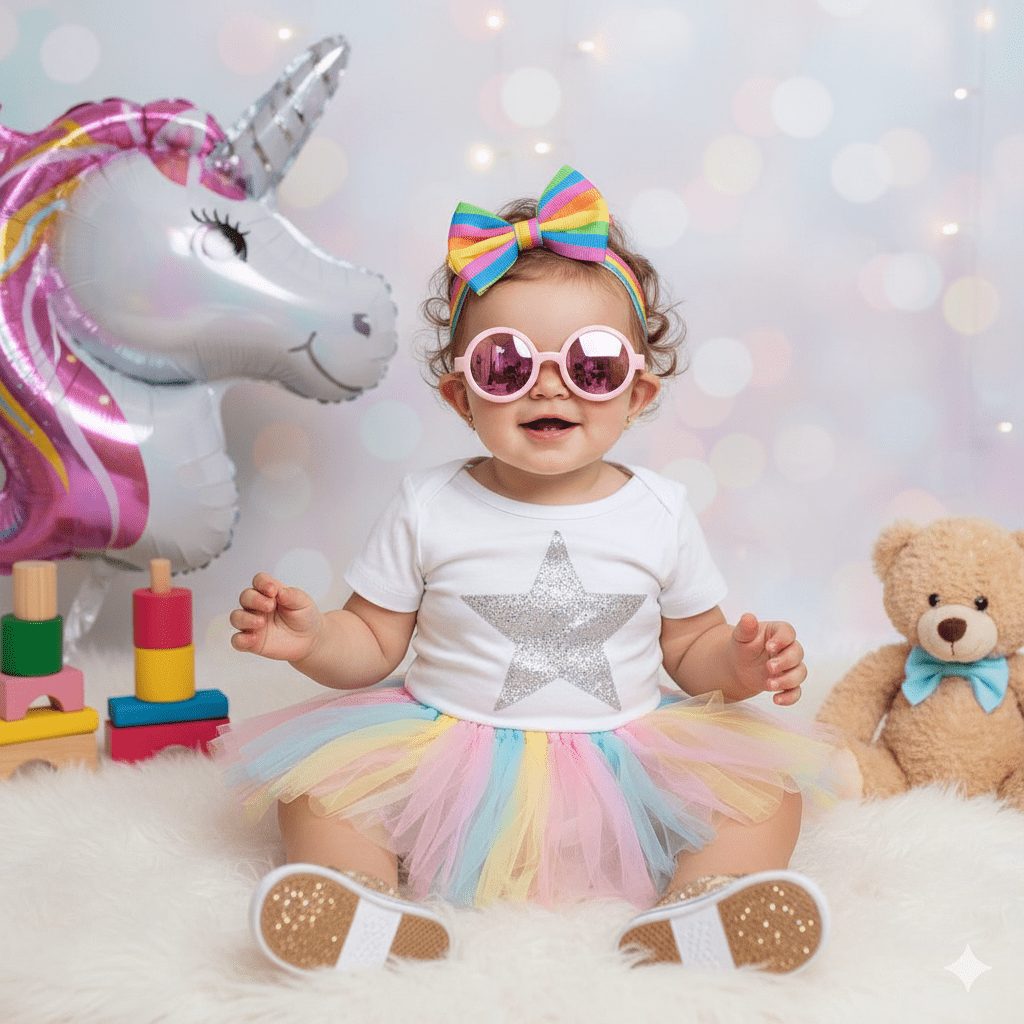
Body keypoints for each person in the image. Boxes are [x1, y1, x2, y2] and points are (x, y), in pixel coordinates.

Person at [214, 167, 856, 978]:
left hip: (628, 758)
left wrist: (743, 663)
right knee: (316, 793)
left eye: (591, 366)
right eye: (506, 366)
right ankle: (357, 897)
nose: (549, 382)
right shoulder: (427, 504)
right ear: (459, 397)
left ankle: (707, 903)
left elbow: (692, 650)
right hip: (445, 752)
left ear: (637, 393)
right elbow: (373, 640)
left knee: (767, 796)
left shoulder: (659, 509)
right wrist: (311, 641)